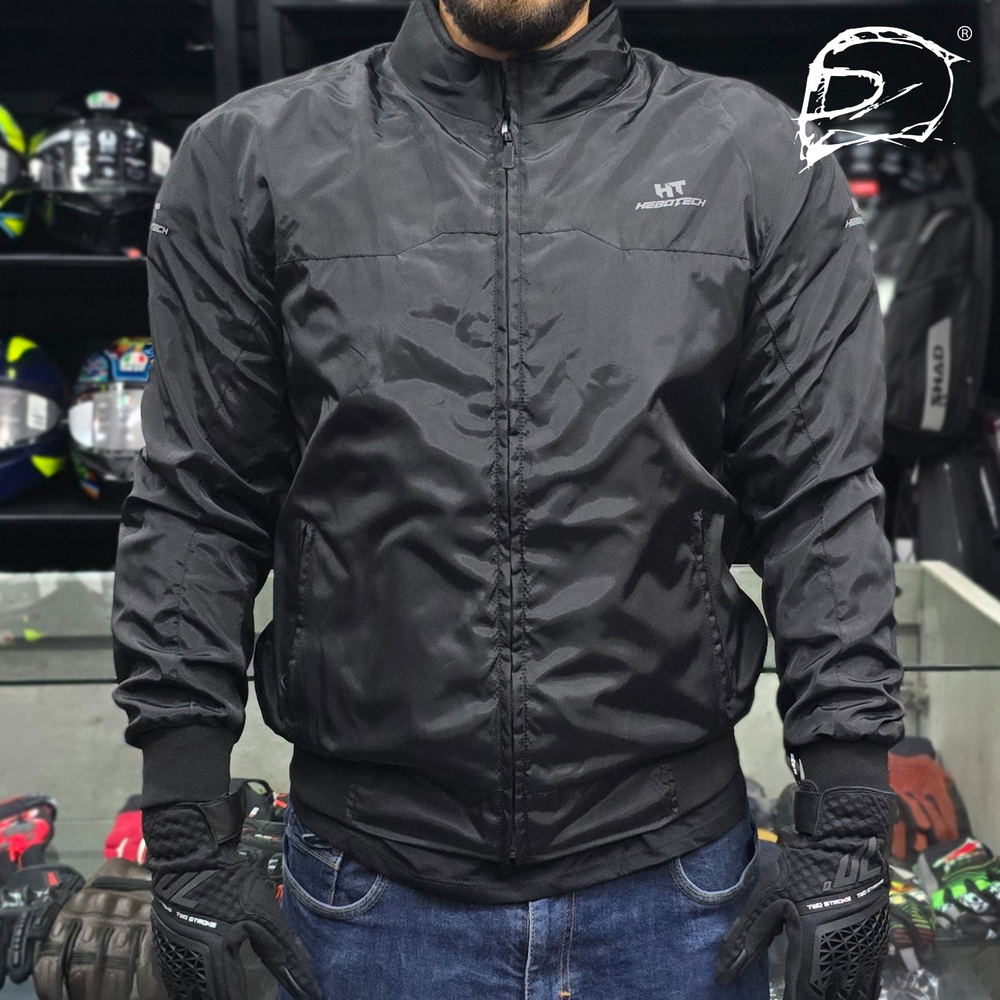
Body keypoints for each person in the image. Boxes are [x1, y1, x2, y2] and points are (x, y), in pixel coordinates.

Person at [110, 0, 905, 995]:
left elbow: (818, 496)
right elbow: (199, 499)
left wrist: (847, 816)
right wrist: (185, 824)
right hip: (370, 892)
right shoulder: (254, 155)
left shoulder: (753, 155)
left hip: (679, 891)